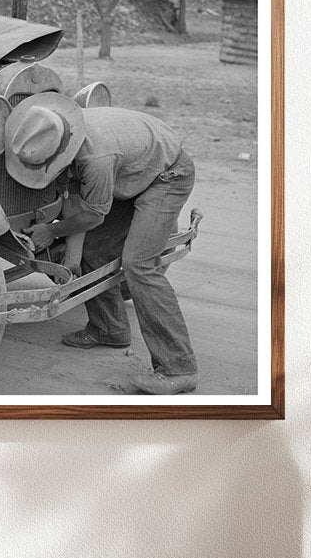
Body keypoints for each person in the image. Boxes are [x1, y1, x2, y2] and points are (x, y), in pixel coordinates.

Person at [16, 104, 199, 396]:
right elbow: (79, 204)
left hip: (168, 175)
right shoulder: (64, 129)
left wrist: (51, 231)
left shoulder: (95, 158)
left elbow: (92, 215)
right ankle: (109, 329)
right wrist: (73, 260)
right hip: (137, 167)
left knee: (140, 265)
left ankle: (178, 368)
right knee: (95, 247)